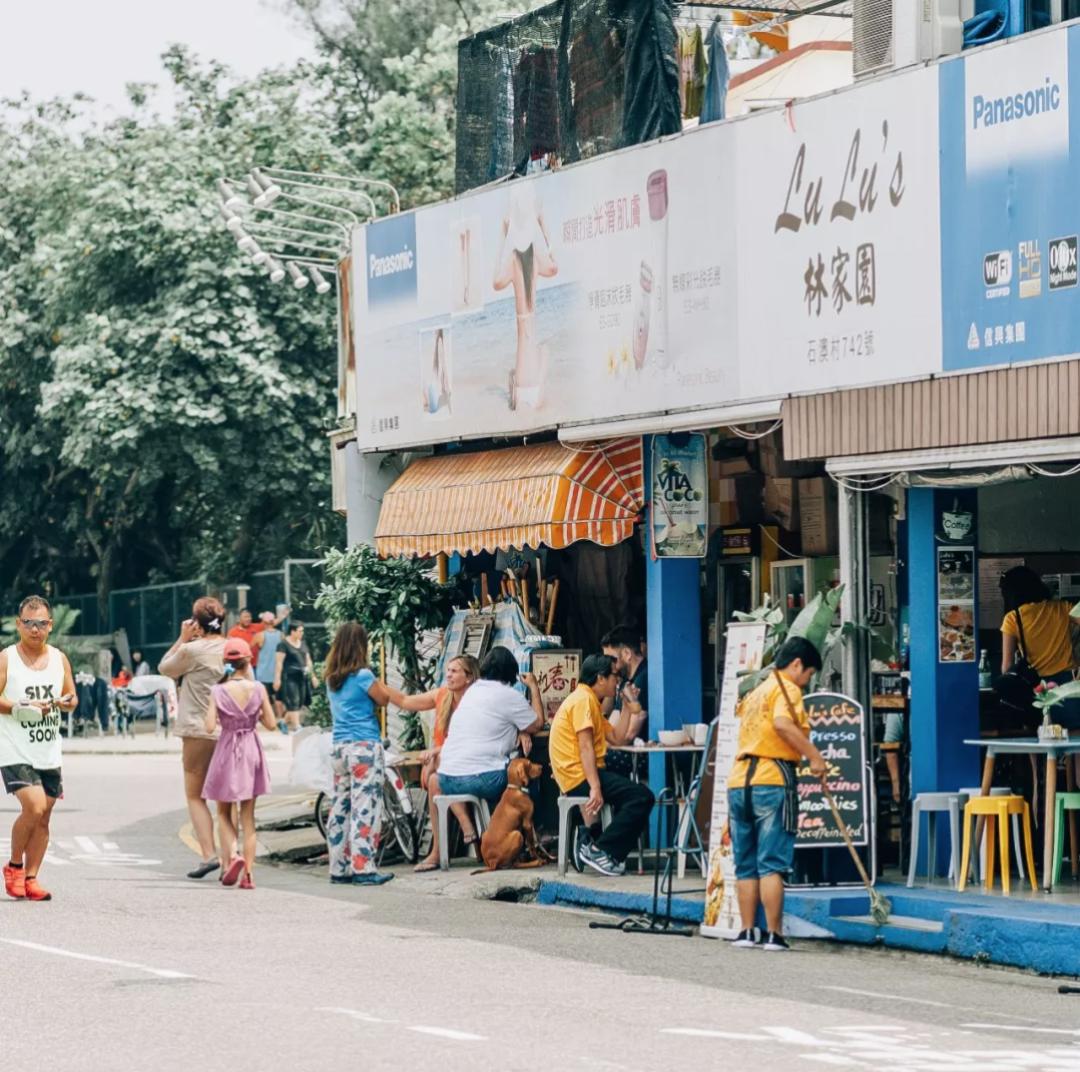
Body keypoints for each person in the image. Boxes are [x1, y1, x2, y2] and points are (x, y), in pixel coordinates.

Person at [727, 636, 827, 952]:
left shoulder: (756, 692)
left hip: (739, 781)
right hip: (771, 779)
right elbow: (784, 724)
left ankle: (747, 932)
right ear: (797, 664)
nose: (806, 681)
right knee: (771, 862)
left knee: (745, 862)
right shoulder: (787, 689)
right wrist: (814, 756)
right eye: (808, 674)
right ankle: (773, 934)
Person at [549, 653, 654, 877]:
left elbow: (618, 738)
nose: (618, 681)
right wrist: (595, 787)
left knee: (637, 796)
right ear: (600, 678)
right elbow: (585, 746)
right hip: (578, 776)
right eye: (614, 676)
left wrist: (626, 708)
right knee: (641, 797)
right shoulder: (583, 701)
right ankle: (601, 850)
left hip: (581, 773)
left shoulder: (590, 702)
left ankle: (597, 843)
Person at [1, 595, 78, 902]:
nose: (35, 630)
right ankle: (14, 866)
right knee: (33, 807)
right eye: (29, 623)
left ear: (50, 625)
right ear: (19, 625)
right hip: (14, 748)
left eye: (42, 624)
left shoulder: (59, 659)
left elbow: (71, 697)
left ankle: (32, 877)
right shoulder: (7, 658)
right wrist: (23, 708)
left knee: (44, 817)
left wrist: (66, 702)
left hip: (48, 749)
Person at [323, 621, 409, 886]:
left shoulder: (331, 678)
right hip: (363, 748)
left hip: (339, 749)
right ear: (361, 645)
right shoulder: (362, 676)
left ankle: (338, 867)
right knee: (365, 808)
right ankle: (363, 868)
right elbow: (383, 699)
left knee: (340, 807)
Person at [434, 647, 544, 834]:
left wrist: (519, 730)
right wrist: (534, 687)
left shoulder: (472, 691)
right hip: (482, 779)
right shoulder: (508, 695)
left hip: (446, 779)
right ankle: (533, 834)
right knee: (527, 773)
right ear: (511, 672)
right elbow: (537, 724)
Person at [159, 596, 228, 880]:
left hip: (197, 730)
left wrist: (182, 638)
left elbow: (165, 668)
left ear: (197, 623)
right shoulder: (234, 648)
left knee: (195, 795)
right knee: (227, 796)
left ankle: (209, 855)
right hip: (229, 730)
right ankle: (232, 856)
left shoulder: (192, 650)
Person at [202, 638, 276, 890]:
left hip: (226, 749)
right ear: (248, 661)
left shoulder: (218, 691)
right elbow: (272, 723)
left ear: (226, 663)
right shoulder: (258, 688)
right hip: (251, 749)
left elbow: (210, 726)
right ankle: (249, 876)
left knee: (223, 812)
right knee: (248, 816)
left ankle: (233, 856)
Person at [396, 654, 481, 872]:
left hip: (474, 763)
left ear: (469, 677)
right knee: (434, 780)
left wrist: (436, 751)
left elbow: (470, 741)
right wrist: (380, 692)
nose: (449, 674)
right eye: (448, 670)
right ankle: (438, 850)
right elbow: (407, 702)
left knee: (438, 767)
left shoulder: (478, 700)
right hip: (448, 765)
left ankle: (461, 827)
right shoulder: (443, 695)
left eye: (455, 671)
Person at [493, 184, 558, 411]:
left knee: (521, 361)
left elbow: (495, 282)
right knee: (545, 350)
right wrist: (543, 224)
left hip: (521, 385)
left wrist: (502, 234)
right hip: (533, 387)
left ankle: (513, 388)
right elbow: (554, 268)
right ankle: (517, 388)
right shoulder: (537, 257)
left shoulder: (512, 259)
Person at [601, 624, 649, 776]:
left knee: (591, 759)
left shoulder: (643, 679)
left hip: (641, 755)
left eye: (612, 659)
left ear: (627, 654)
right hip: (622, 748)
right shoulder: (625, 683)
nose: (609, 665)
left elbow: (629, 735)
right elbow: (611, 726)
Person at [274, 621, 318, 733]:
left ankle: (283, 722)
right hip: (289, 677)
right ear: (292, 631)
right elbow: (279, 662)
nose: (302, 633)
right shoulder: (283, 644)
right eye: (299, 631)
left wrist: (313, 676)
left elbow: (308, 661)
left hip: (302, 677)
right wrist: (277, 679)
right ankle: (297, 727)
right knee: (294, 701)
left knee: (299, 703)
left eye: (302, 631)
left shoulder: (303, 643)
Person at [254, 612, 285, 727]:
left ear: (263, 622)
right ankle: (280, 719)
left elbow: (248, 648)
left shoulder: (259, 635)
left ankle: (268, 722)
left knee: (264, 698)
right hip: (277, 671)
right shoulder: (281, 635)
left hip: (263, 672)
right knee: (278, 698)